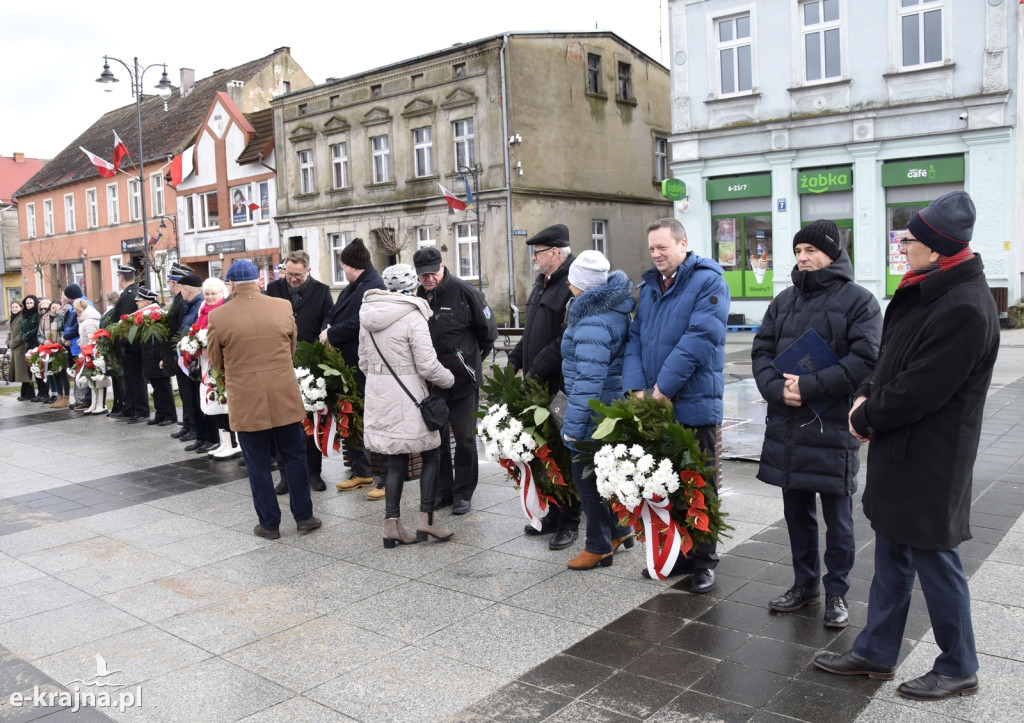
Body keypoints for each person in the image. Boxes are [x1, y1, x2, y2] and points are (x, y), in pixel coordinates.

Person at [815, 191, 999, 701]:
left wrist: (866, 417)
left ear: (936, 248)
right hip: (903, 448)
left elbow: (921, 388)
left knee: (936, 560)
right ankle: (876, 652)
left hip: (932, 458)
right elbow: (890, 359)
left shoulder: (964, 306)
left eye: (909, 240)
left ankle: (959, 666)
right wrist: (865, 393)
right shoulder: (926, 288)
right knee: (893, 553)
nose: (902, 246)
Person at [751, 219, 882, 628]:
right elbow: (761, 351)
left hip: (832, 426)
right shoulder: (783, 301)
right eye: (797, 251)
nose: (803, 258)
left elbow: (866, 359)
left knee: (838, 520)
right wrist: (776, 388)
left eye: (810, 250)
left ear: (832, 252)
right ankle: (804, 585)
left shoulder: (860, 301)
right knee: (797, 515)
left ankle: (837, 592)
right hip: (788, 424)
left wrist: (808, 387)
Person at [623, 217, 730, 594]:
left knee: (700, 484)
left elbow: (700, 338)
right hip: (655, 403)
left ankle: (704, 561)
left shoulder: (708, 281)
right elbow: (635, 338)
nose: (656, 254)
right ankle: (678, 554)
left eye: (663, 247)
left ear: (683, 245)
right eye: (652, 248)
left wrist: (662, 389)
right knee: (666, 482)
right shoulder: (651, 287)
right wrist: (636, 386)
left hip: (693, 402)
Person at [207, 259, 322, 539]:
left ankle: (269, 525)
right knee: (295, 457)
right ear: (258, 280)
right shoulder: (282, 306)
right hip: (283, 393)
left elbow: (216, 361)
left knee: (257, 463)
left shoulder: (218, 316)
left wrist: (238, 373)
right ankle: (304, 517)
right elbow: (291, 348)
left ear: (231, 284)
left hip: (246, 397)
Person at [358, 264, 455, 547]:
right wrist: (450, 380)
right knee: (432, 451)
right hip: (410, 394)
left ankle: (392, 525)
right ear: (414, 287)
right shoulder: (414, 314)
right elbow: (427, 365)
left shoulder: (367, 314)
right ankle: (427, 519)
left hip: (379, 396)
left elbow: (363, 362)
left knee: (395, 459)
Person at [560, 251, 636, 569]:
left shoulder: (592, 320)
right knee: (606, 474)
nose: (568, 284)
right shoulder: (613, 309)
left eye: (572, 280)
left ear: (583, 285)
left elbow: (589, 381)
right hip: (611, 406)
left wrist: (573, 428)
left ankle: (598, 546)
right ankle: (620, 530)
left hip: (595, 411)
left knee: (588, 481)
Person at [508, 224, 581, 550]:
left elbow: (565, 338)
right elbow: (533, 330)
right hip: (539, 385)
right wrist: (515, 359)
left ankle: (570, 522)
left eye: (537, 253)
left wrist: (536, 367)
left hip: (559, 386)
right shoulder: (543, 282)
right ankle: (553, 512)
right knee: (545, 451)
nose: (534, 259)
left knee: (564, 454)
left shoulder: (571, 283)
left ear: (555, 252)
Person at [414, 247, 498, 515]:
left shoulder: (465, 291)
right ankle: (444, 492)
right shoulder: (418, 297)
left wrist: (470, 363)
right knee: (436, 441)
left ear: (442, 266)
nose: (429, 279)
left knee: (464, 439)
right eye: (423, 275)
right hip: (433, 382)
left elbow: (488, 333)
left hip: (463, 382)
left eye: (433, 273)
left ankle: (463, 494)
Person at [322, 239, 386, 497]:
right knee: (353, 416)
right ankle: (362, 471)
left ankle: (384, 477)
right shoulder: (354, 286)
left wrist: (332, 333)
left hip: (363, 366)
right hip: (347, 363)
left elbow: (361, 321)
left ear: (353, 266)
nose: (342, 270)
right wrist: (327, 327)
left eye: (343, 265)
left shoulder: (373, 287)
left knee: (370, 419)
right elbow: (334, 313)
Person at [267, 250, 335, 491]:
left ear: (308, 271)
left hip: (310, 362)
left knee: (312, 419)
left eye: (298, 275)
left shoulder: (322, 290)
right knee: (282, 421)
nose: (293, 279)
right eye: (289, 274)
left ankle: (313, 472)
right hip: (280, 362)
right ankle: (286, 475)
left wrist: (325, 332)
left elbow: (329, 317)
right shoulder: (274, 289)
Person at [192, 277, 229, 453]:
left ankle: (232, 444)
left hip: (219, 363)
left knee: (223, 401)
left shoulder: (224, 309)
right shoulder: (203, 311)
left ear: (222, 293)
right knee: (212, 401)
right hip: (206, 363)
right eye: (206, 294)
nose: (210, 297)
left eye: (213, 293)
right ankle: (223, 442)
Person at [133, 288, 178, 428]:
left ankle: (170, 415)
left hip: (157, 356)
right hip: (149, 355)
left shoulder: (157, 314)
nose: (137, 303)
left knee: (163, 386)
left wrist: (162, 358)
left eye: (139, 301)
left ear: (147, 301)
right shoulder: (147, 314)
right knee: (156, 387)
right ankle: (160, 414)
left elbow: (161, 339)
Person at [109, 267, 146, 421]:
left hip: (130, 345)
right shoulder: (134, 293)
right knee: (131, 378)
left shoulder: (128, 295)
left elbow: (122, 321)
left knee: (135, 378)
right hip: (132, 344)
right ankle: (130, 407)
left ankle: (140, 409)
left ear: (121, 278)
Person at [166, 263, 197, 440]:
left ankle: (192, 425)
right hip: (179, 352)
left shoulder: (182, 301)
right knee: (185, 393)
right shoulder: (179, 300)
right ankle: (187, 424)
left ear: (173, 282)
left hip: (183, 352)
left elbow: (178, 328)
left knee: (188, 393)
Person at [176, 274, 206, 448]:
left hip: (196, 361)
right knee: (192, 399)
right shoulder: (190, 305)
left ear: (187, 290)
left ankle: (203, 435)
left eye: (182, 289)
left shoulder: (198, 306)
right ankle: (199, 435)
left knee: (198, 400)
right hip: (188, 359)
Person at [73, 298, 109, 415]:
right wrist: (81, 342)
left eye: (75, 308)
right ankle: (94, 403)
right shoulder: (84, 320)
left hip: (92, 353)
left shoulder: (88, 321)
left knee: (97, 379)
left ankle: (100, 404)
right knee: (91, 378)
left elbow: (92, 338)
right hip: (87, 352)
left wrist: (86, 347)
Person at [61, 284, 91, 410]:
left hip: (80, 345)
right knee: (77, 373)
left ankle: (85, 399)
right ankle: (80, 399)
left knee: (83, 373)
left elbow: (77, 325)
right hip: (73, 344)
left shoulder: (82, 304)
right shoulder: (74, 305)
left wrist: (66, 336)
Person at [39, 299, 70, 407]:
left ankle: (66, 398)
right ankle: (59, 396)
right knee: (55, 373)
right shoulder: (44, 318)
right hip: (49, 349)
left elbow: (62, 328)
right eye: (53, 307)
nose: (55, 309)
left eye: (57, 307)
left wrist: (59, 315)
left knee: (63, 374)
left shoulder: (62, 317)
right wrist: (44, 341)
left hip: (60, 348)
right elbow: (39, 334)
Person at [18, 295, 47, 402]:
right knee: (33, 369)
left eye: (31, 303)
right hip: (28, 344)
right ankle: (38, 392)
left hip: (36, 343)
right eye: (27, 303)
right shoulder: (24, 314)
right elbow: (22, 327)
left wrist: (29, 334)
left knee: (40, 368)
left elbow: (37, 327)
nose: (29, 305)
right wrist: (22, 334)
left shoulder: (37, 314)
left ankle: (43, 392)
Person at [6, 300, 35, 401]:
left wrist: (12, 343)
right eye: (12, 307)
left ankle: (29, 394)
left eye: (16, 307)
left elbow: (21, 333)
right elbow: (10, 333)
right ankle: (24, 393)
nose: (14, 309)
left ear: (21, 307)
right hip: (15, 349)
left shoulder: (22, 317)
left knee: (25, 372)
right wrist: (8, 342)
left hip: (22, 347)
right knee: (21, 372)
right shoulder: (13, 318)